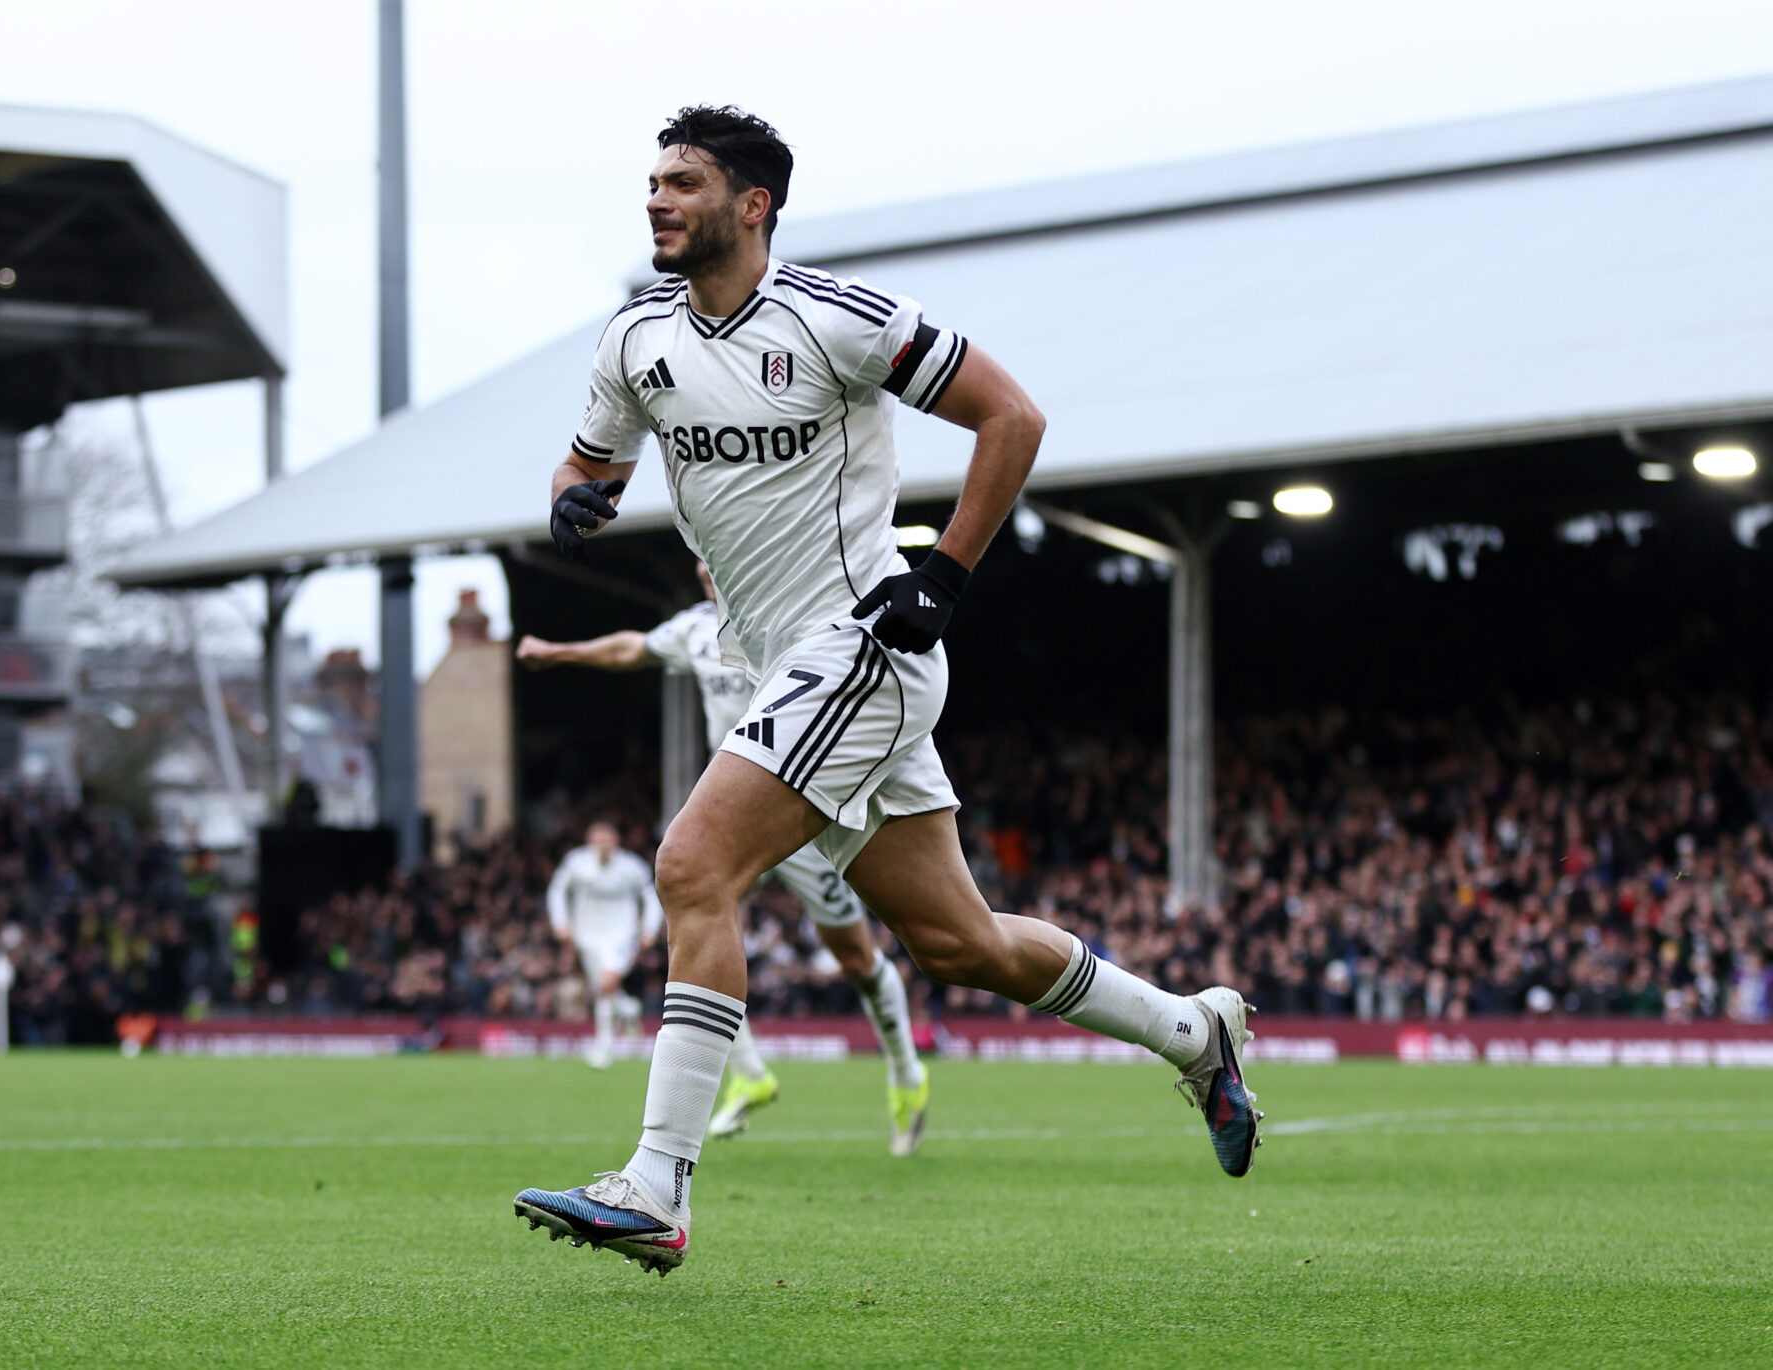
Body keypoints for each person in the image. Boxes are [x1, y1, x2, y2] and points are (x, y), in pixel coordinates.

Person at [514, 105, 1261, 1277]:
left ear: (751, 205)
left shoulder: (833, 317)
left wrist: (943, 577)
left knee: (690, 863)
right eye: (650, 182)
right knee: (959, 945)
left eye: (682, 183)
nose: (656, 200)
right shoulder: (633, 340)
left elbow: (1009, 416)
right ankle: (1191, 1030)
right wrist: (577, 493)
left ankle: (656, 1184)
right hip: (779, 666)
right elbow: (590, 454)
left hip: (861, 649)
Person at [517, 561, 932, 1152]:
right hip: (736, 815)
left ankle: (905, 1072)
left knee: (856, 959)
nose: (707, 571)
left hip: (804, 804)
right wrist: (557, 652)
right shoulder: (692, 631)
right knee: (692, 918)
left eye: (718, 561)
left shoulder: (795, 619)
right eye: (701, 564)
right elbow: (631, 649)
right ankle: (752, 1075)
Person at [545, 821, 664, 1069]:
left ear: (615, 841)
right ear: (590, 841)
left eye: (607, 840)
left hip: (622, 935)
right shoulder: (576, 862)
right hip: (587, 936)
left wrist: (649, 930)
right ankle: (629, 1009)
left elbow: (651, 897)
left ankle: (604, 1048)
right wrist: (561, 922)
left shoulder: (631, 866)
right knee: (604, 987)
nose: (603, 846)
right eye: (598, 841)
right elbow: (557, 890)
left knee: (607, 984)